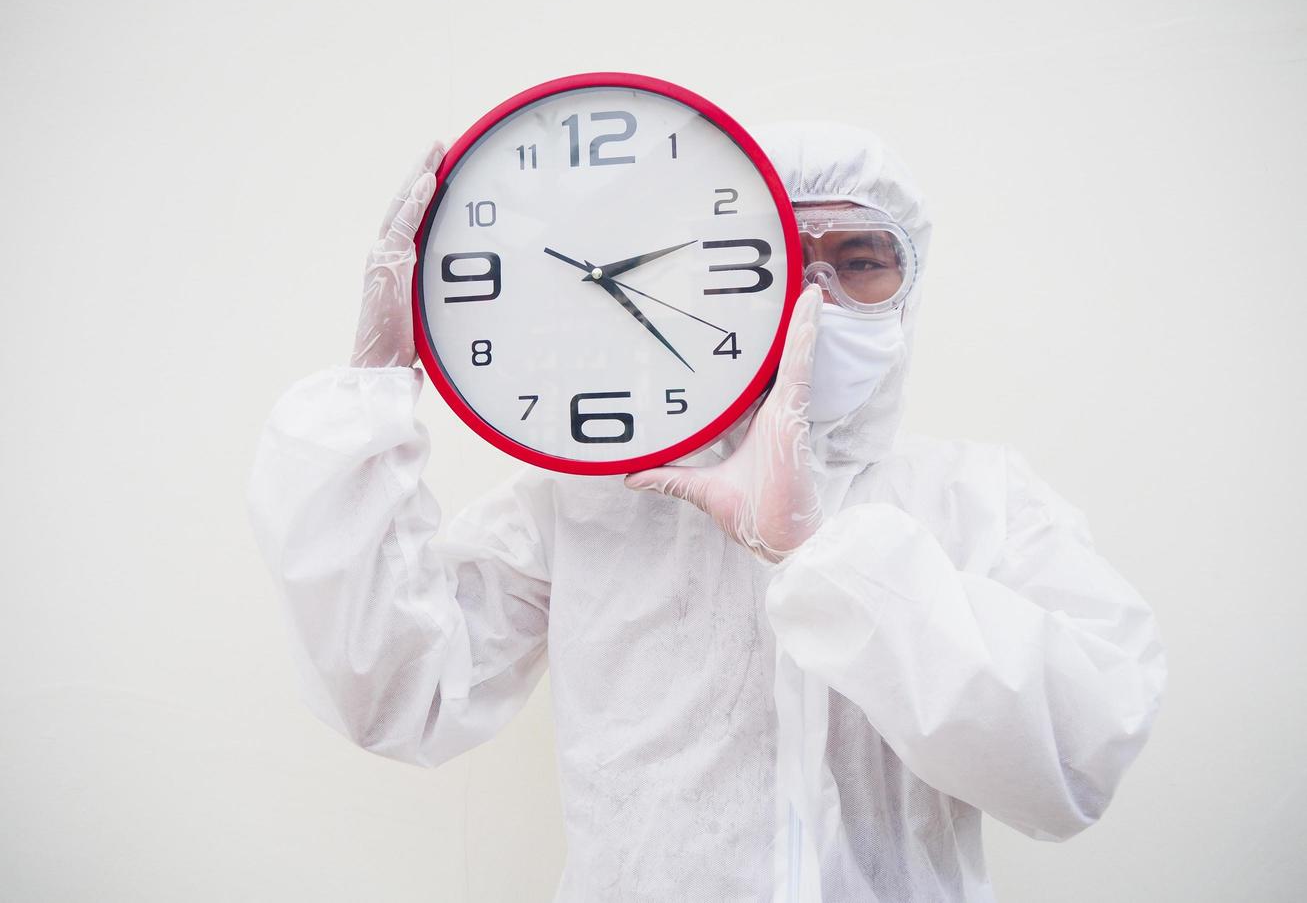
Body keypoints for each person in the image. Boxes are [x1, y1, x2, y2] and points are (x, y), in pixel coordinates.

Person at [247, 121, 1166, 901]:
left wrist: (829, 555)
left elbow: (1075, 764)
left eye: (860, 262)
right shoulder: (593, 498)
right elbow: (397, 693)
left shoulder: (976, 498)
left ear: (908, 289)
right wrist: (367, 400)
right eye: (781, 260)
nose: (813, 297)